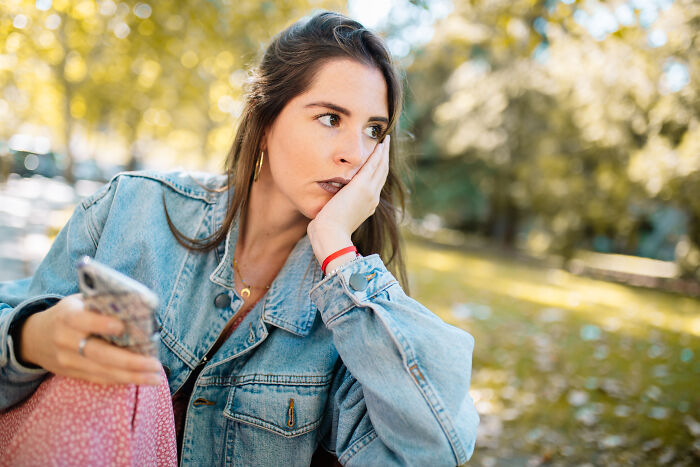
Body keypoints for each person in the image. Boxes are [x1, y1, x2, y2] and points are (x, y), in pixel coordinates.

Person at [0, 11, 479, 466]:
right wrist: (31, 338)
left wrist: (335, 245)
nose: (354, 154)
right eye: (331, 118)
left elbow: (434, 446)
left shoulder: (353, 315)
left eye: (373, 130)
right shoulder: (135, 209)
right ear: (266, 120)